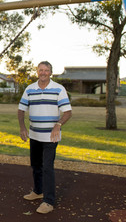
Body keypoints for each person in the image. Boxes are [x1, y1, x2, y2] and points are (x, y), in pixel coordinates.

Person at [18, 61, 72, 214]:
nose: (43, 72)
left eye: (46, 70)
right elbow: (21, 110)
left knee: (47, 168)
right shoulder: (30, 89)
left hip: (50, 137)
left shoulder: (58, 89)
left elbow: (67, 112)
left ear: (51, 72)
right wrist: (22, 127)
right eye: (40, 70)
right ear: (37, 72)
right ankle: (38, 191)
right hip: (34, 134)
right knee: (36, 165)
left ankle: (48, 201)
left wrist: (58, 125)